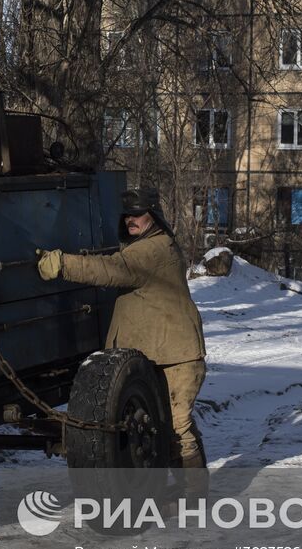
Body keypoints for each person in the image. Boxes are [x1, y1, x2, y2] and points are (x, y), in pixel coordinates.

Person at [37, 186, 208, 468]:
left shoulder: (154, 250)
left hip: (177, 358)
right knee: (167, 429)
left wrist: (62, 264)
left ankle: (193, 498)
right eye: (128, 214)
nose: (132, 219)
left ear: (154, 216)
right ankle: (182, 495)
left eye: (138, 214)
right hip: (164, 353)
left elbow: (111, 269)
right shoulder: (148, 247)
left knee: (179, 429)